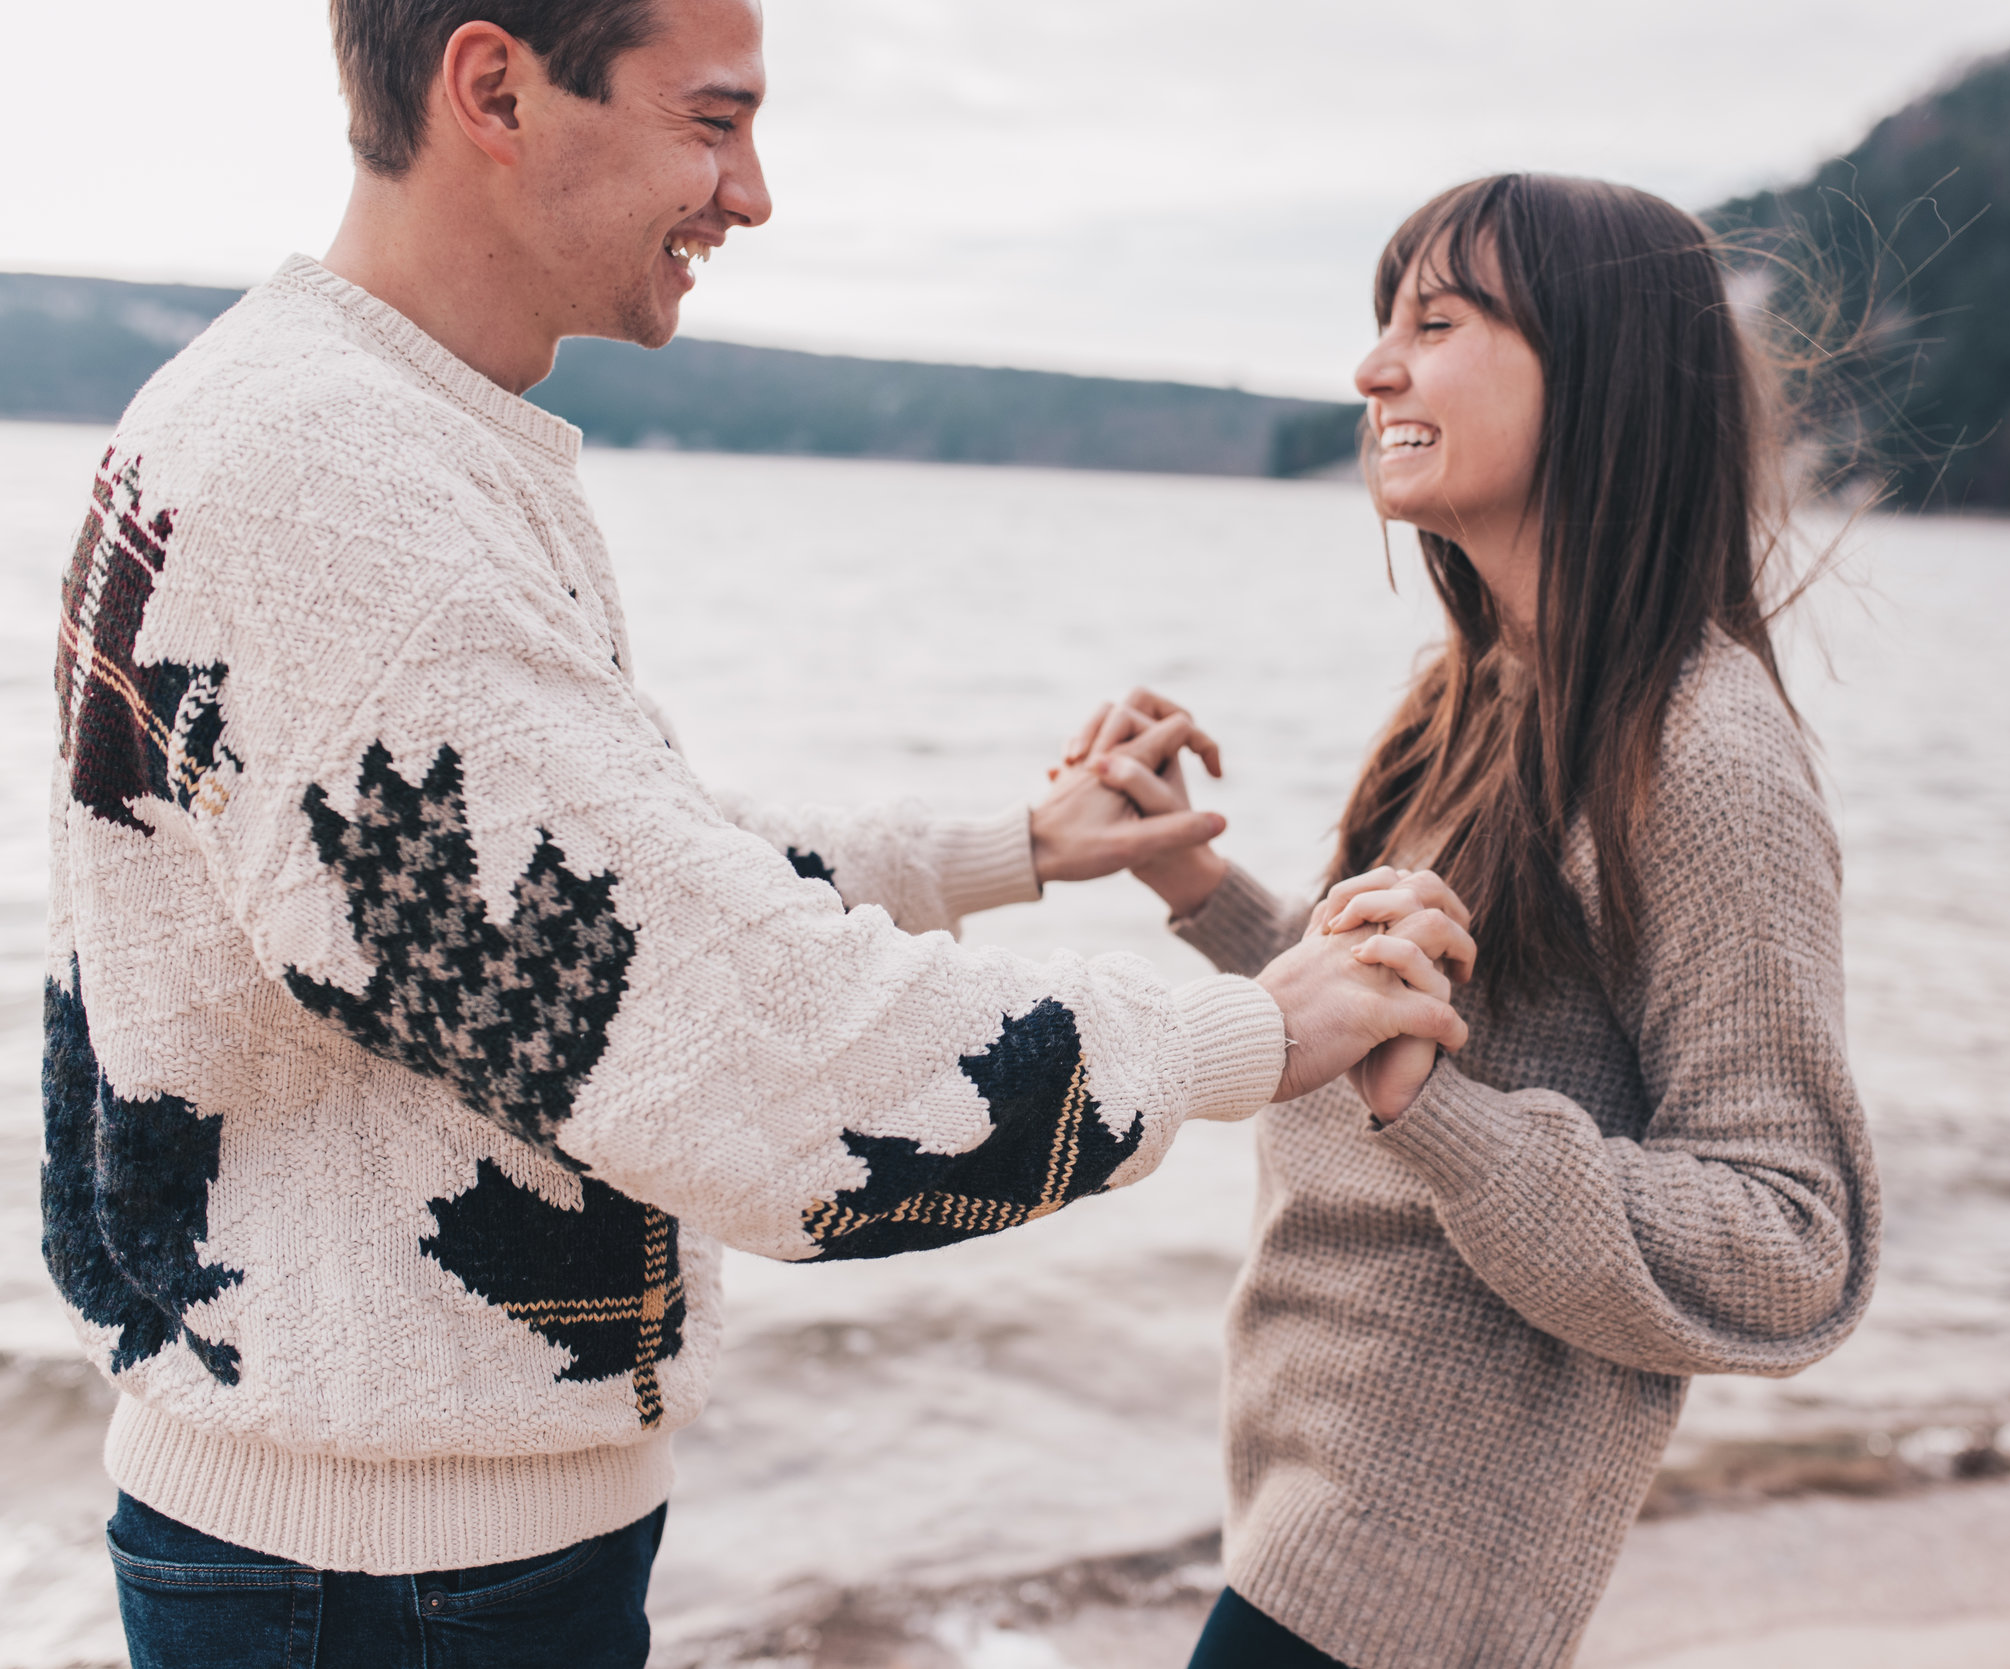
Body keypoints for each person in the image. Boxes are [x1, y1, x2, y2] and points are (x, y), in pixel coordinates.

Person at [43, 3, 1468, 1664]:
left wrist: (1007, 845)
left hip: (390, 1559)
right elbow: (741, 1053)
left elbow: (600, 885)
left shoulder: (360, 429)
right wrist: (1253, 1029)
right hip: (377, 1590)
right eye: (712, 123)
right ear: (495, 88)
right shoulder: (331, 483)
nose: (753, 193)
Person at [1069, 174, 1882, 1669]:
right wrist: (1192, 884)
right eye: (1384, 324)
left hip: (1424, 1570)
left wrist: (1436, 1113)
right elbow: (1378, 1027)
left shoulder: (1701, 748)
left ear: (1604, 376)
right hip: (1313, 1499)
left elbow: (1790, 1237)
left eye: (1435, 325)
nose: (1376, 368)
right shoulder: (1488, 687)